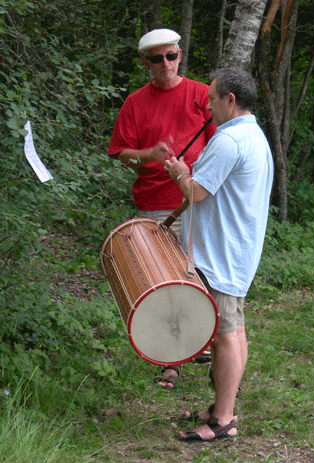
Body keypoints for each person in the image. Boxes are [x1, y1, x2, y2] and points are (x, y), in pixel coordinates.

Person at [164, 67, 273, 441]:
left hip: (222, 253)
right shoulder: (254, 135)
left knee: (225, 335)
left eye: (211, 99)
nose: (207, 106)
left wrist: (179, 172)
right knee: (235, 329)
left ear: (230, 100)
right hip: (236, 250)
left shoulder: (229, 141)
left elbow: (196, 192)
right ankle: (220, 407)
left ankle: (223, 421)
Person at [107, 28, 216, 389]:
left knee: (201, 276)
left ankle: (209, 346)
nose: (165, 64)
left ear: (180, 55)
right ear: (146, 63)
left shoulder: (203, 95)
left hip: (197, 200)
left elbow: (224, 145)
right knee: (163, 282)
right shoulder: (136, 103)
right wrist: (148, 154)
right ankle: (171, 361)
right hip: (153, 204)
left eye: (171, 56)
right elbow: (120, 154)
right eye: (157, 59)